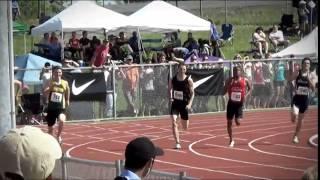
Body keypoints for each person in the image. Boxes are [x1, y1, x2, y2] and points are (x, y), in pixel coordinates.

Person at [288, 57, 315, 144]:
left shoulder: (311, 75)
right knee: (295, 114)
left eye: (308, 63)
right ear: (302, 64)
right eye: (305, 63)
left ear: (310, 65)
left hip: (305, 100)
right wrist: (294, 73)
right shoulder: (298, 72)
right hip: (297, 98)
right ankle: (293, 115)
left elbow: (313, 88)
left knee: (300, 120)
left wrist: (308, 79)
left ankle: (295, 136)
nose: (307, 65)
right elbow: (289, 80)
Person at [224, 66, 252, 147]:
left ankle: (238, 118)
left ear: (240, 72)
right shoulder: (230, 80)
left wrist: (246, 96)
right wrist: (227, 85)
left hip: (239, 104)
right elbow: (224, 90)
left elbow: (250, 88)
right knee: (229, 122)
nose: (236, 72)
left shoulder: (245, 80)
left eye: (237, 70)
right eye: (234, 70)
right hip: (231, 103)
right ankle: (231, 140)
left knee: (238, 122)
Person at [169, 63, 194, 149]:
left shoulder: (188, 80)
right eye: (181, 69)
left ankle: (183, 120)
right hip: (175, 104)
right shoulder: (173, 79)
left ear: (185, 70)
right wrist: (171, 97)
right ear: (178, 69)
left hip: (184, 105)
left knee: (185, 127)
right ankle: (177, 143)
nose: (182, 71)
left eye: (184, 69)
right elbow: (170, 89)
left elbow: (193, 93)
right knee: (174, 122)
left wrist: (190, 104)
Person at [44, 66, 70, 143]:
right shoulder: (50, 82)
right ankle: (51, 141)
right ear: (53, 73)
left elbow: (68, 90)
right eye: (56, 72)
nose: (58, 73)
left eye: (59, 72)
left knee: (62, 120)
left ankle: (58, 136)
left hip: (61, 107)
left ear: (61, 73)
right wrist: (51, 87)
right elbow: (45, 92)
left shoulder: (65, 82)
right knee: (50, 130)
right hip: (51, 108)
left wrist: (67, 99)